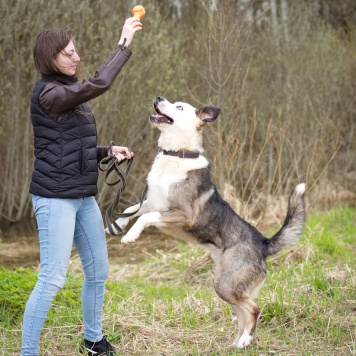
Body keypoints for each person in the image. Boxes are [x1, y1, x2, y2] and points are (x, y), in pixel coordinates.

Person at [21, 16, 142, 356]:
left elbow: (69, 145)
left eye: (76, 52)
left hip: (82, 196)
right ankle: (27, 351)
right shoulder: (49, 93)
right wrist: (122, 45)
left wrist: (108, 151)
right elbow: (98, 83)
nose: (76, 58)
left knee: (98, 271)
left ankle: (92, 341)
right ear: (51, 59)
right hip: (54, 198)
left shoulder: (69, 95)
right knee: (52, 278)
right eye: (68, 54)